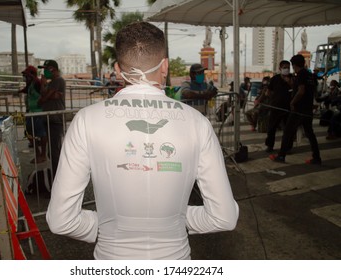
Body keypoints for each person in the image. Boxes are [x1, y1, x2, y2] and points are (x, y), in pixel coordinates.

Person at [46, 22, 239, 260]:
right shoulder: (197, 122)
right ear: (165, 66)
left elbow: (61, 220)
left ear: (117, 69)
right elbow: (224, 217)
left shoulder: (87, 119)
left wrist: (112, 222)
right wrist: (173, 219)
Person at [270, 54, 321, 164]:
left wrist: (292, 102)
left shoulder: (301, 75)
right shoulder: (309, 75)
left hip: (299, 109)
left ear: (294, 65)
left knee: (288, 132)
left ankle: (281, 156)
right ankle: (317, 157)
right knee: (310, 133)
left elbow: (301, 90)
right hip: (307, 109)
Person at [38, 60, 66, 178]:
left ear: (53, 69)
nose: (44, 71)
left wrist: (46, 92)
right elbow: (44, 97)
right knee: (52, 151)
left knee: (55, 152)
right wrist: (45, 89)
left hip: (55, 120)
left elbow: (43, 99)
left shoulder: (58, 81)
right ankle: (56, 177)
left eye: (46, 69)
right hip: (49, 119)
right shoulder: (52, 82)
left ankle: (58, 179)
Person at [264, 61, 293, 153]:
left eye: (288, 67)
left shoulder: (292, 78)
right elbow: (268, 91)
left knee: (288, 129)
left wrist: (289, 83)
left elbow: (297, 90)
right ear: (280, 68)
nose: (286, 69)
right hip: (276, 107)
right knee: (271, 128)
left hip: (288, 108)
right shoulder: (275, 79)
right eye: (284, 67)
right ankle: (270, 146)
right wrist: (274, 98)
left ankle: (287, 147)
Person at [21, 65, 47, 164]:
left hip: (39, 113)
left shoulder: (37, 82)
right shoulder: (31, 83)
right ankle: (38, 153)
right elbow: (26, 90)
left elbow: (43, 93)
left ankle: (42, 155)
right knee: (28, 133)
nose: (25, 78)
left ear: (32, 75)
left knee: (41, 133)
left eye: (26, 76)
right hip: (32, 113)